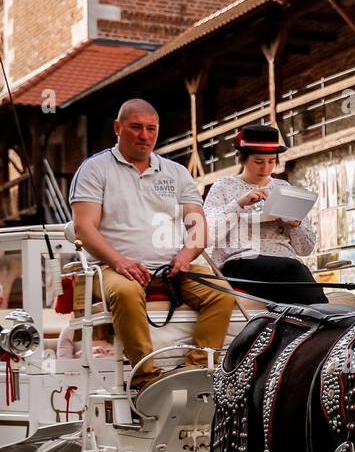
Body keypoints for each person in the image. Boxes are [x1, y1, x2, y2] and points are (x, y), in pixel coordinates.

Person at [70, 98, 235, 390]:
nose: (144, 136)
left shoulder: (177, 173)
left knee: (220, 292)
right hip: (113, 267)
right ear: (118, 128)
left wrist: (185, 255)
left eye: (151, 128)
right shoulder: (95, 169)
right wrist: (119, 261)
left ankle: (196, 371)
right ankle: (146, 378)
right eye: (135, 128)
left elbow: (198, 226)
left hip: (172, 267)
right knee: (125, 291)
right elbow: (84, 227)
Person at [203, 123, 326, 305]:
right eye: (259, 162)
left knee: (296, 268)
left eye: (271, 161)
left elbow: (306, 248)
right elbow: (206, 234)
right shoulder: (223, 186)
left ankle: (319, 320)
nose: (266, 168)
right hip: (240, 262)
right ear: (243, 159)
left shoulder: (282, 188)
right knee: (292, 269)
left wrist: (294, 225)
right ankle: (325, 317)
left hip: (286, 261)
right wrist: (238, 204)